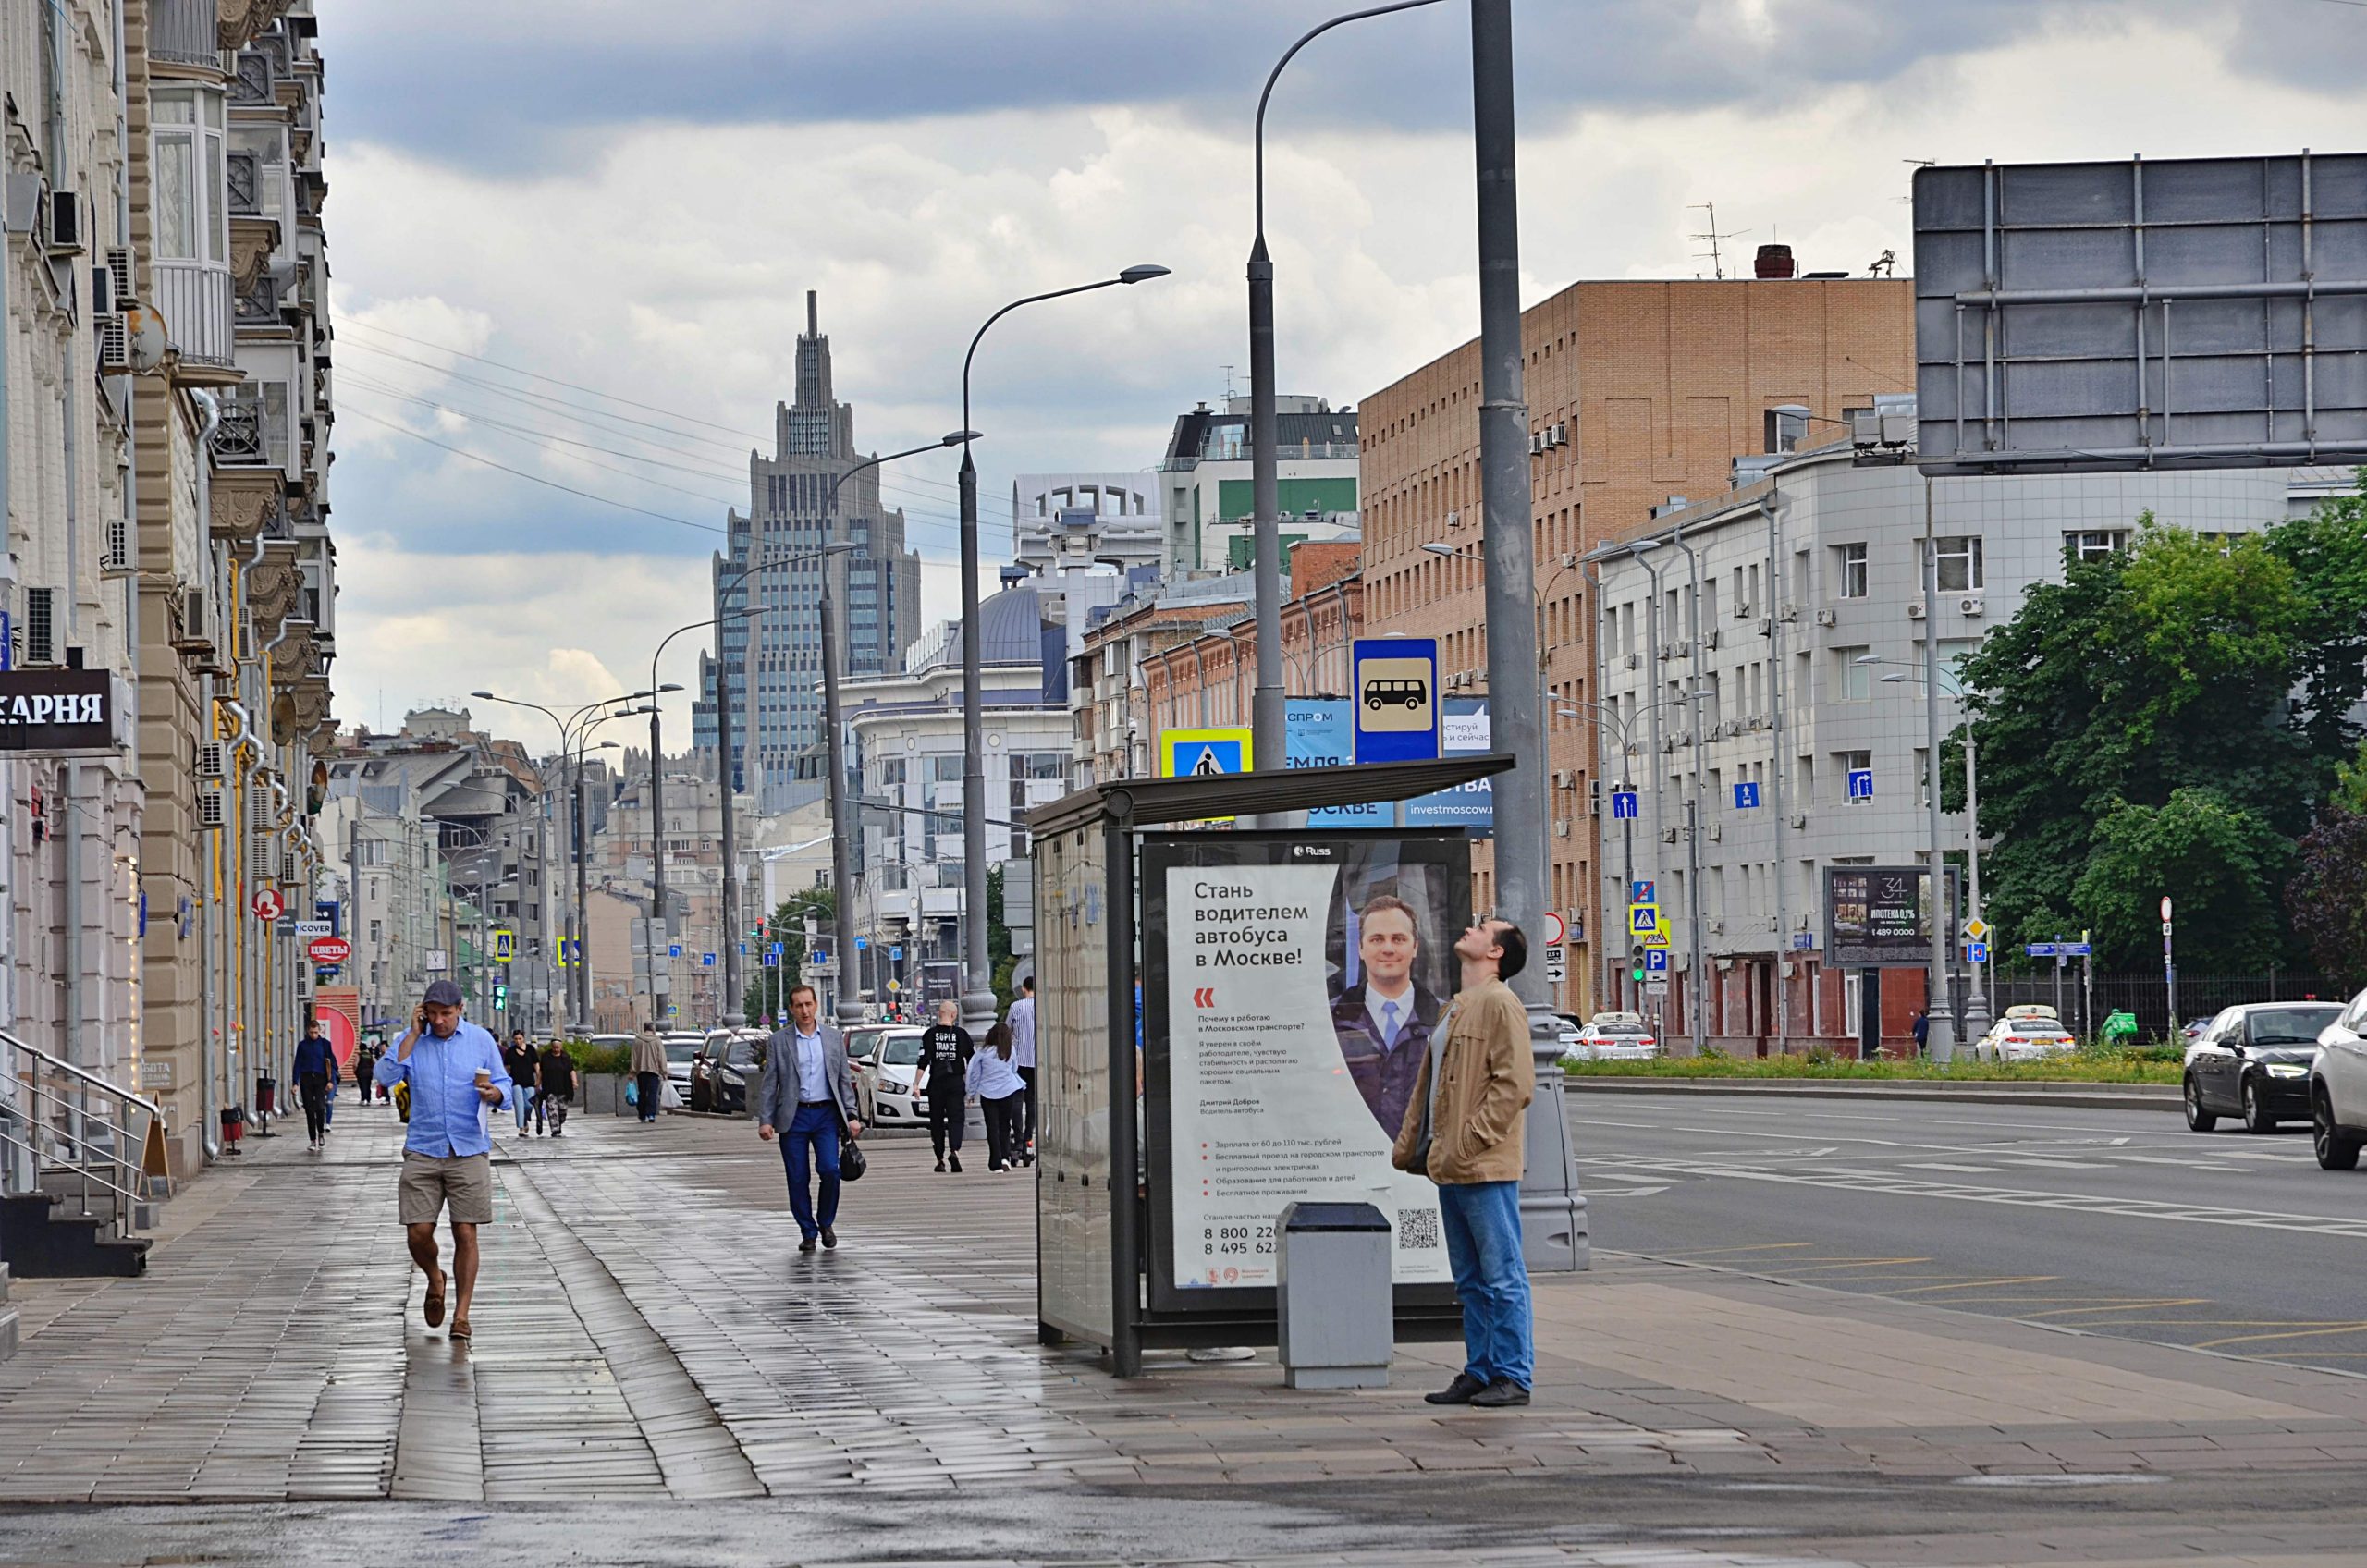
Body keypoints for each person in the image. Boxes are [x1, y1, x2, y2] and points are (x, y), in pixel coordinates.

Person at [1392, 918, 1535, 1410]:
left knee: (1502, 1275)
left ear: (1496, 953)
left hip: (1483, 1166)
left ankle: (1513, 1375)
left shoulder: (1500, 1004)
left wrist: (1470, 1142)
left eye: (1484, 928)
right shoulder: (1457, 1006)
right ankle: (1479, 1370)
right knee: (1471, 1279)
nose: (1473, 928)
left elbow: (1514, 1084)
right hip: (1449, 1164)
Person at [374, 979, 509, 1341]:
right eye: (431, 1014)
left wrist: (496, 1092)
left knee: (466, 1231)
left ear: (460, 1010)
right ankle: (436, 1277)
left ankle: (462, 1316)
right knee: (418, 1232)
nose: (439, 1021)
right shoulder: (414, 1040)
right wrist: (413, 1035)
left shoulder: (481, 1040)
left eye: (445, 1014)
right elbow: (384, 1077)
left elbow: (505, 1087)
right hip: (423, 1147)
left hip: (468, 1148)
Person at [754, 983, 861, 1252]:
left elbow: (843, 1080)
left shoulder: (833, 1038)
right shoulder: (780, 1041)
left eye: (808, 1004)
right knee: (798, 1177)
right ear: (791, 1009)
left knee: (830, 1170)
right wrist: (765, 1120)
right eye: (799, 1005)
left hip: (826, 1115)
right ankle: (808, 1231)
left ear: (816, 1006)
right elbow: (770, 1083)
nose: (805, 1010)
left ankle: (826, 1222)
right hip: (794, 1116)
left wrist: (852, 1115)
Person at [1331, 894, 1441, 1138]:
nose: (1388, 949)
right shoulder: (1330, 1022)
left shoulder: (1447, 1020)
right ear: (1360, 948)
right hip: (1353, 1159)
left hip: (1425, 1165)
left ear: (1415, 947)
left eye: (1399, 939)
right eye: (1377, 939)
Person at [914, 999, 973, 1174]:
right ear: (954, 1015)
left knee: (937, 1121)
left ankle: (939, 1159)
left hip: (936, 1083)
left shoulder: (929, 1035)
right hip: (955, 1082)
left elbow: (923, 1061)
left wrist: (916, 1084)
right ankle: (954, 1150)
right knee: (956, 1118)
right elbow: (972, 1061)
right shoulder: (962, 1035)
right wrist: (971, 1087)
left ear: (939, 1014)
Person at [970, 1019, 1027, 1172]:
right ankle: (1004, 1157)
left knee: (992, 1127)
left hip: (988, 1094)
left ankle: (995, 1162)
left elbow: (974, 1073)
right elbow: (1014, 1069)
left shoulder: (982, 1052)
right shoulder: (1010, 1051)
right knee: (1004, 1126)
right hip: (1007, 1092)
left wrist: (971, 1092)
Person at [293, 1017, 336, 1152]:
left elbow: (332, 1064)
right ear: (307, 1031)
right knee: (309, 1110)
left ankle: (321, 1133)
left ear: (320, 1031)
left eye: (316, 1032)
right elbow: (297, 1064)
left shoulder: (325, 1044)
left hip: (320, 1079)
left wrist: (331, 1081)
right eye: (311, 1032)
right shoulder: (302, 1045)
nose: (313, 1035)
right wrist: (295, 1082)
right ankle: (312, 1140)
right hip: (306, 1079)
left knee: (320, 1107)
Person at [1008, 975, 1037, 1157]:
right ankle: (1028, 1137)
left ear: (1024, 989)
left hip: (1019, 1062)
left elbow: (1006, 1029)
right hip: (1037, 1062)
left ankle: (1018, 1140)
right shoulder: (1044, 1006)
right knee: (1032, 1101)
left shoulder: (1016, 1007)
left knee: (1017, 1101)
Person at [503, 1030, 541, 1136]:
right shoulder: (510, 1051)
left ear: (523, 1038)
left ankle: (526, 1117)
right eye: (516, 1039)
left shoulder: (530, 1049)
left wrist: (538, 1079)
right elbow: (506, 1068)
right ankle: (522, 1127)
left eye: (520, 1039)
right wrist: (506, 1079)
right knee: (519, 1105)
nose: (518, 1041)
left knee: (529, 1105)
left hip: (529, 1081)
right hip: (516, 1081)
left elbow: (536, 1065)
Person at [536, 1037, 575, 1137]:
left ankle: (559, 1123)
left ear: (561, 1047)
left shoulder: (566, 1057)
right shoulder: (546, 1057)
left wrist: (574, 1082)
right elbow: (541, 1071)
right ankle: (555, 1130)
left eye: (558, 1048)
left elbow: (571, 1070)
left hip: (564, 1089)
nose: (556, 1049)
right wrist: (538, 1082)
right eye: (554, 1047)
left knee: (562, 1111)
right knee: (552, 1110)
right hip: (550, 1088)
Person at [632, 1022, 666, 1123]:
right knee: (652, 1094)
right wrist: (664, 1071)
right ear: (652, 1029)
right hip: (654, 1071)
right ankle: (651, 1115)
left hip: (641, 1071)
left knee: (642, 1093)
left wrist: (632, 1071)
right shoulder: (657, 1041)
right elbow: (662, 1057)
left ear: (644, 1028)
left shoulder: (637, 1040)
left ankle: (642, 1115)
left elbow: (634, 1056)